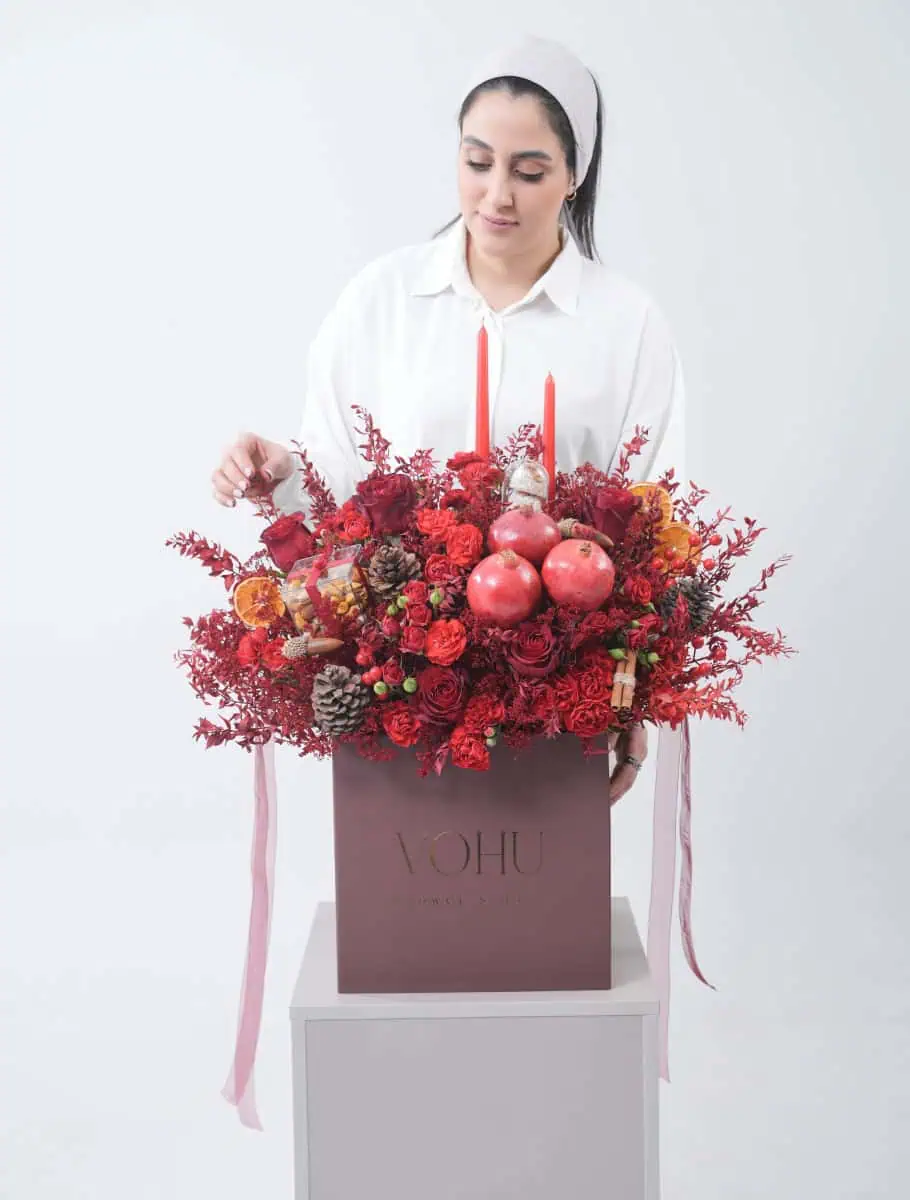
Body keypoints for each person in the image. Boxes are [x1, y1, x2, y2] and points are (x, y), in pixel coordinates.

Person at [210, 34, 687, 803]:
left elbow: (656, 520)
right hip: (401, 694)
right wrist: (283, 470)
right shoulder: (381, 301)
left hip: (554, 697)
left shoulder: (626, 324)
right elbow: (336, 496)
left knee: (537, 878)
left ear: (574, 175)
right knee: (411, 877)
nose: (497, 195)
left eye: (528, 171)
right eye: (477, 162)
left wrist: (635, 689)